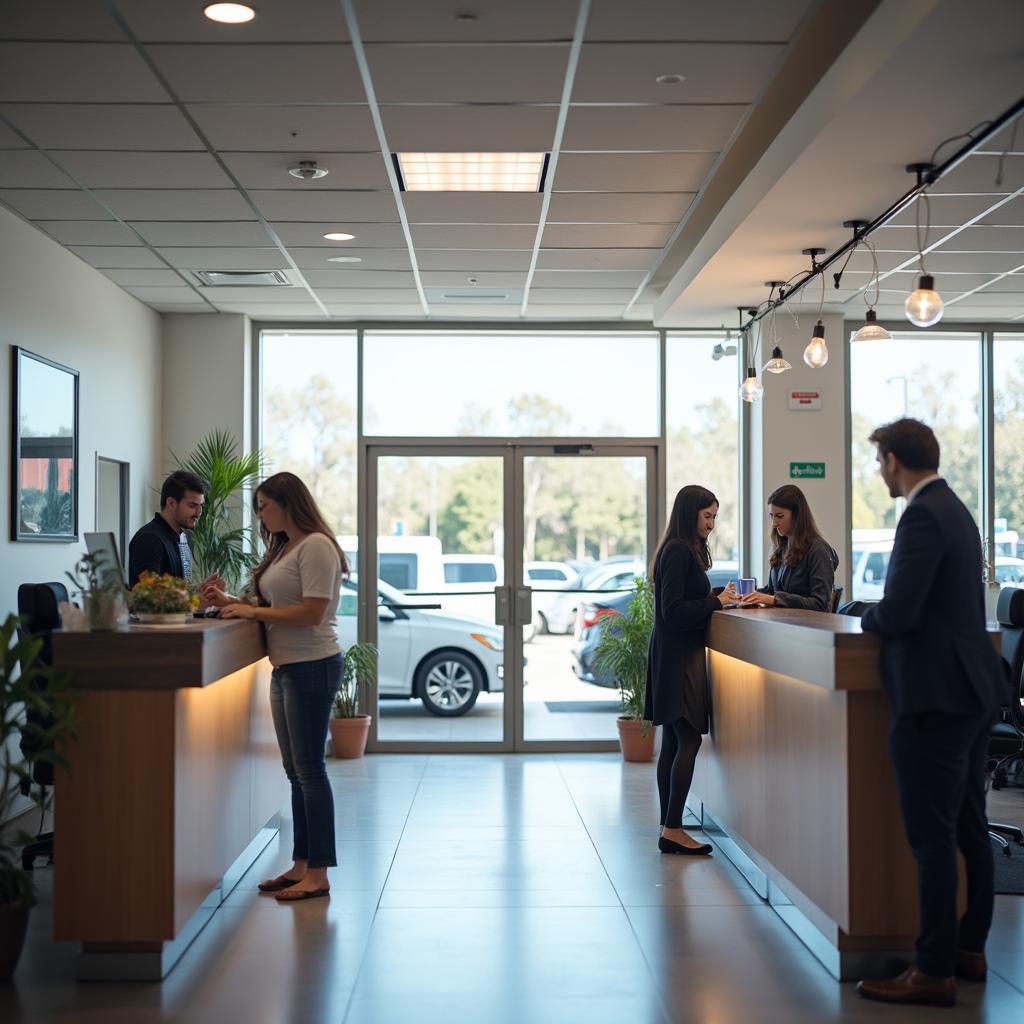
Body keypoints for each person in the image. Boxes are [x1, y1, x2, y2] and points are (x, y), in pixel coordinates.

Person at [856, 419, 1004, 1007]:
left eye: (878, 462)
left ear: (893, 461)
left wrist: (867, 614)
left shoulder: (920, 514)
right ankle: (969, 949)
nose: (878, 472)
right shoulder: (956, 508)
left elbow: (902, 612)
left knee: (933, 837)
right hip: (970, 692)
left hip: (933, 698)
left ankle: (934, 969)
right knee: (969, 827)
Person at [203, 472, 347, 902]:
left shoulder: (317, 546)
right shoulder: (286, 547)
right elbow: (278, 606)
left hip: (312, 665)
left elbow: (311, 615)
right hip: (287, 668)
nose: (261, 516)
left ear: (288, 503)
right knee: (296, 771)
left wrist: (250, 614)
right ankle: (302, 864)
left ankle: (318, 873)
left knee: (310, 771)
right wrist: (232, 604)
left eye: (265, 506)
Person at [645, 485, 737, 856]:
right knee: (688, 740)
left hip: (672, 652)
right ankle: (672, 828)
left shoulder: (677, 549)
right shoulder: (679, 551)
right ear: (690, 514)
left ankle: (670, 825)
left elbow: (682, 600)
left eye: (714, 516)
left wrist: (714, 596)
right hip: (678, 655)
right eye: (707, 516)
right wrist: (714, 602)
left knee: (673, 739)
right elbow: (674, 611)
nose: (712, 524)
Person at [735, 484, 838, 610]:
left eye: (779, 516)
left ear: (797, 515)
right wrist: (747, 596)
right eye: (771, 516)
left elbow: (819, 604)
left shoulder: (818, 550)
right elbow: (772, 591)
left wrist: (775, 599)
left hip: (807, 627)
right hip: (783, 624)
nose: (773, 523)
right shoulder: (781, 546)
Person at [128, 470, 208, 587]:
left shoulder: (182, 537)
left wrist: (200, 591)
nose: (198, 513)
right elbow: (152, 597)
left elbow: (181, 589)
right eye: (192, 506)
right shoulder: (149, 540)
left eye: (200, 506)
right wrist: (195, 599)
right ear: (171, 503)